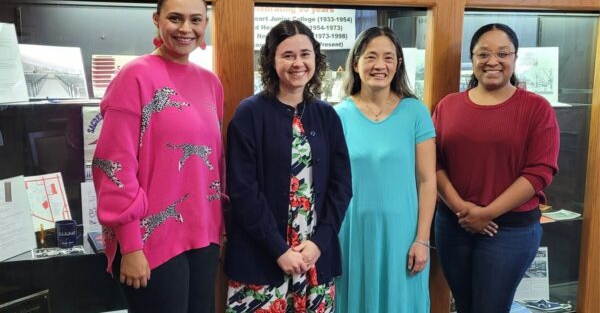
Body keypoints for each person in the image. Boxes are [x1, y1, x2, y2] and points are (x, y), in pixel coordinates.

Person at [92, 0, 223, 313]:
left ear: (205, 24)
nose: (185, 28)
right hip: (150, 242)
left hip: (204, 238)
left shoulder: (210, 83)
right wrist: (131, 245)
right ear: (156, 20)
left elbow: (212, 164)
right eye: (175, 18)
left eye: (196, 19)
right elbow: (114, 166)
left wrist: (219, 230)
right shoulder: (134, 76)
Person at [224, 20, 352, 312]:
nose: (298, 63)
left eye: (305, 54)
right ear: (272, 60)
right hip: (262, 256)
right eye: (288, 55)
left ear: (316, 60)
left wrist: (319, 243)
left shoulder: (327, 115)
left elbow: (342, 186)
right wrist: (279, 249)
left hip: (315, 259)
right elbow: (243, 191)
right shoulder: (249, 114)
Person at [432, 23, 560, 313]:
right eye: (483, 53)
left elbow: (540, 171)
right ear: (472, 58)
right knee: (464, 305)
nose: (492, 61)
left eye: (502, 53)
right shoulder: (448, 106)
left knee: (491, 307)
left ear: (515, 58)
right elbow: (434, 161)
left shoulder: (537, 108)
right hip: (454, 223)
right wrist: (462, 209)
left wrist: (486, 213)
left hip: (510, 229)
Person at [334, 26, 437, 313]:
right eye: (371, 57)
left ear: (398, 64)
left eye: (389, 58)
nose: (380, 65)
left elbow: (428, 181)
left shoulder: (415, 112)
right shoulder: (337, 115)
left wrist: (422, 239)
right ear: (356, 63)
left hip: (403, 236)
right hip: (351, 233)